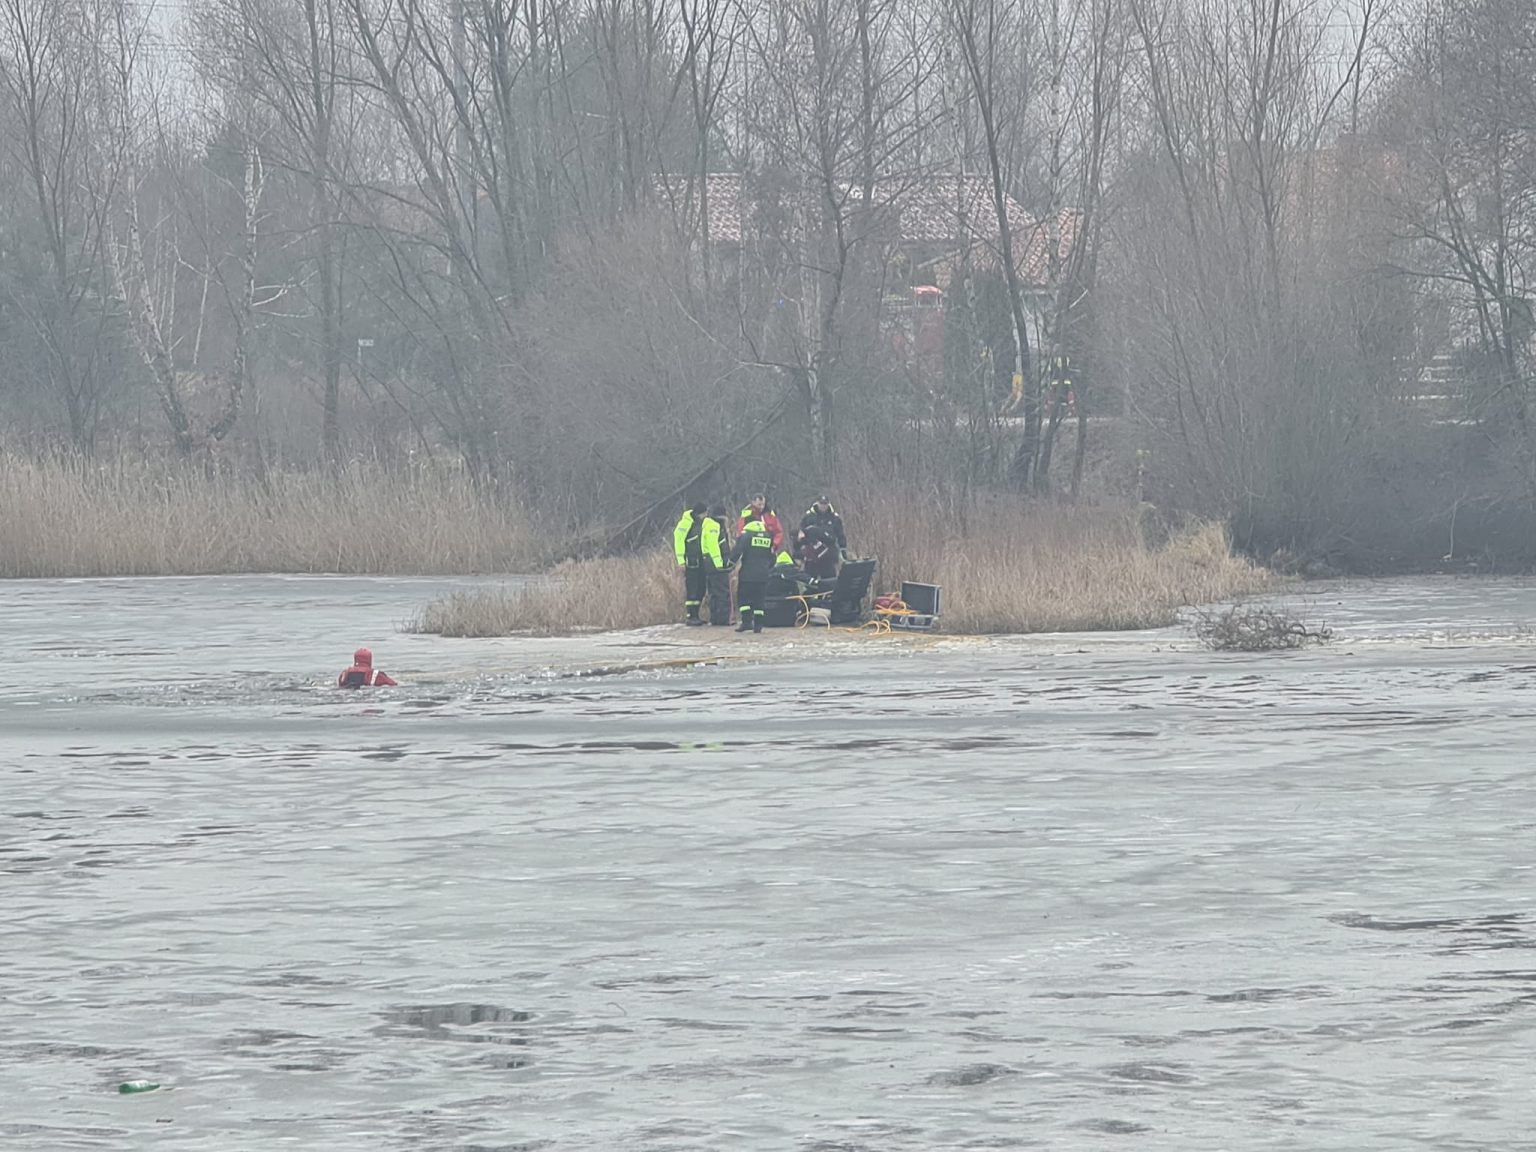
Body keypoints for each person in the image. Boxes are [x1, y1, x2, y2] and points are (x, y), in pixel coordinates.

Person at [729, 517, 776, 633]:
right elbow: (772, 557)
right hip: (763, 575)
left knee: (744, 598)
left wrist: (729, 565)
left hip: (747, 574)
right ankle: (758, 625)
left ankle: (746, 622)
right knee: (759, 599)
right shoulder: (768, 537)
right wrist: (767, 568)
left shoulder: (746, 536)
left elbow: (737, 552)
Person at [673, 501, 709, 625]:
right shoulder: (685, 523)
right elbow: (678, 541)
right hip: (690, 561)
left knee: (701, 587)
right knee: (692, 588)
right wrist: (681, 561)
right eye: (705, 513)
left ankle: (696, 615)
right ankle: (691, 616)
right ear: (700, 513)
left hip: (701, 560)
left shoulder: (701, 524)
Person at [704, 503, 734, 626]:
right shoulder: (715, 526)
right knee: (722, 592)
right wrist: (720, 563)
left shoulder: (708, 525)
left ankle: (715, 617)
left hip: (708, 563)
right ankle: (723, 619)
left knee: (714, 592)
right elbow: (714, 546)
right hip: (716, 564)